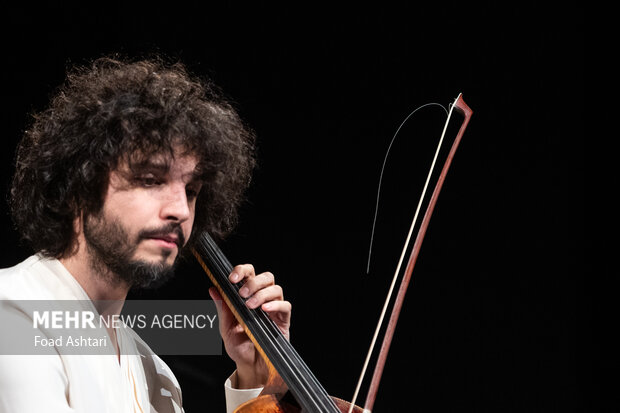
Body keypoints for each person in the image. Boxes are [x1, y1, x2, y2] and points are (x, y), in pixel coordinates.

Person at [0, 55, 291, 412]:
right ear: (79, 188)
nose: (181, 211)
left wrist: (253, 377)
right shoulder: (12, 315)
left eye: (191, 190)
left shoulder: (157, 374)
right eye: (151, 180)